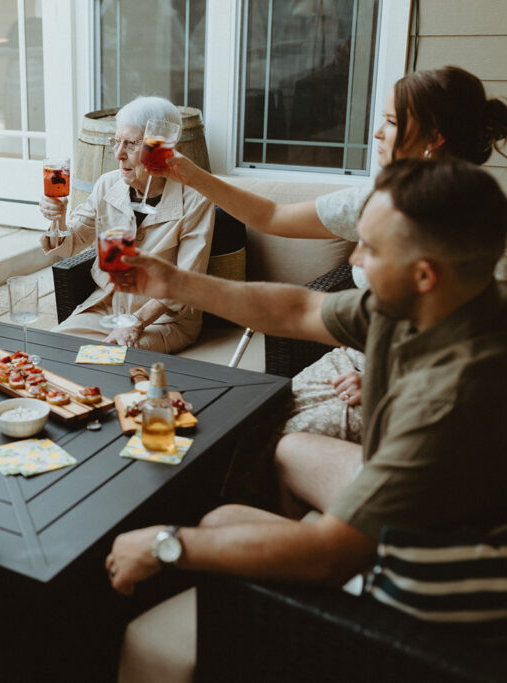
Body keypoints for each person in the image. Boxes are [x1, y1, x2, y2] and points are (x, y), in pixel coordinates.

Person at [107, 159, 507, 681]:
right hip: (446, 502)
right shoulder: (429, 304)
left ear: (424, 275)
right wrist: (174, 282)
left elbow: (329, 555)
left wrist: (165, 542)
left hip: (436, 592)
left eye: (371, 248)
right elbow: (296, 310)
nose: (357, 258)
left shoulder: (451, 397)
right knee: (278, 462)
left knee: (194, 559)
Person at [157, 66, 507, 453]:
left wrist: (387, 382)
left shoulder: (473, 220)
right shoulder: (381, 192)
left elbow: (473, 339)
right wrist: (190, 174)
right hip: (353, 358)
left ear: (434, 138)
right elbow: (273, 217)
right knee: (247, 426)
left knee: (277, 445)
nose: (376, 133)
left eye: (390, 122)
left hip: (412, 385)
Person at [39, 96, 214, 352]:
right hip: (107, 307)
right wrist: (58, 219)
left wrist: (136, 322)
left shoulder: (196, 200)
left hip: (162, 319)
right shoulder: (107, 184)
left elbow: (186, 282)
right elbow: (69, 245)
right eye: (116, 142)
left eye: (131, 144)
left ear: (161, 147)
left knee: (103, 358)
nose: (119, 155)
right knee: (51, 348)